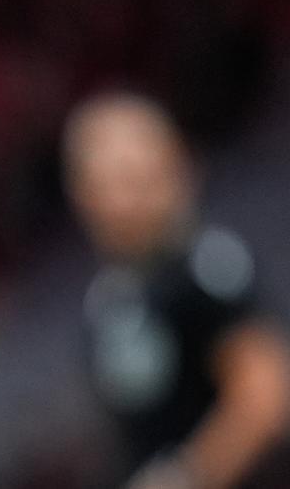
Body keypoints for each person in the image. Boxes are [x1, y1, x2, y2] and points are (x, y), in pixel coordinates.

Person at [64, 92, 289, 489]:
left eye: (138, 177)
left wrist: (189, 476)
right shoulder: (107, 300)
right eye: (110, 182)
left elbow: (265, 397)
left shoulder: (206, 266)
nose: (126, 200)